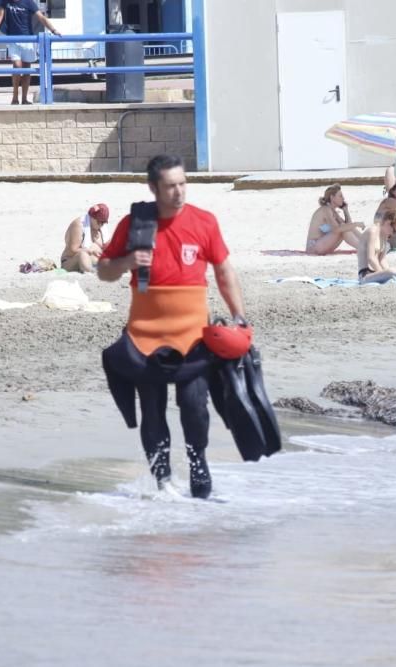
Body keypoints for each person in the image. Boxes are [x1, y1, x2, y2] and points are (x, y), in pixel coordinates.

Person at [98, 154, 247, 499]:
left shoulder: (204, 222)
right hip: (145, 333)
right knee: (152, 407)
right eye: (170, 186)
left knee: (195, 404)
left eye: (183, 184)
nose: (179, 192)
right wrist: (126, 261)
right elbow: (104, 271)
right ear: (153, 188)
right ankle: (163, 481)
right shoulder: (135, 224)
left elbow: (224, 272)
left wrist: (239, 316)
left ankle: (198, 464)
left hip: (192, 334)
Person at [0, 0, 62, 105]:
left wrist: (53, 30)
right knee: (17, 66)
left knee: (26, 70)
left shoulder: (28, 2)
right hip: (13, 39)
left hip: (28, 39)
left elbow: (41, 17)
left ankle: (24, 98)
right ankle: (15, 96)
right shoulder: (6, 2)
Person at [305, 184, 364, 255]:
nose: (343, 198)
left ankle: (366, 243)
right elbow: (336, 229)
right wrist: (356, 224)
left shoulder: (333, 211)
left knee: (344, 227)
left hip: (323, 244)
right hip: (313, 247)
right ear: (332, 197)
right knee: (342, 228)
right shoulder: (326, 209)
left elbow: (348, 226)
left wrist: (345, 211)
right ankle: (364, 248)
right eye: (340, 196)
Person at [61, 202, 109, 272]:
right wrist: (91, 251)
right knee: (83, 254)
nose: (101, 225)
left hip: (92, 260)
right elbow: (73, 250)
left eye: (104, 222)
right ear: (92, 217)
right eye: (99, 222)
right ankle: (92, 271)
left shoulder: (101, 229)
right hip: (70, 261)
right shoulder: (79, 225)